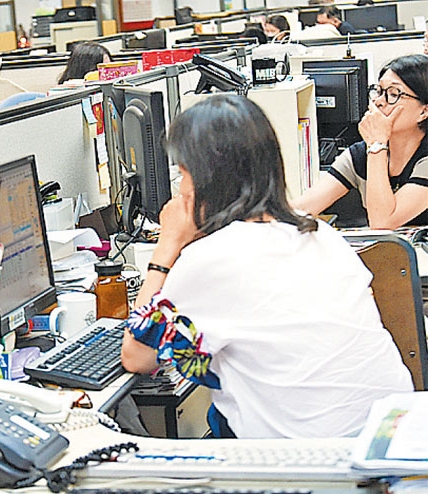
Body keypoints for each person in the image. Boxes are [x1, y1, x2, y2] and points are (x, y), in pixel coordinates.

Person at [120, 94, 412, 439]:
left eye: (184, 174)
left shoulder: (213, 258)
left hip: (314, 459)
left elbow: (137, 356)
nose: (181, 190)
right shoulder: (320, 233)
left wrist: (167, 247)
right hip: (391, 437)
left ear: (208, 179)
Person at [292, 54, 428, 229]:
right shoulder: (360, 154)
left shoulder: (378, 149)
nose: (378, 102)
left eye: (393, 94)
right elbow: (303, 208)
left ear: (424, 112)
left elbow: (382, 223)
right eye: (379, 91)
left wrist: (377, 145)